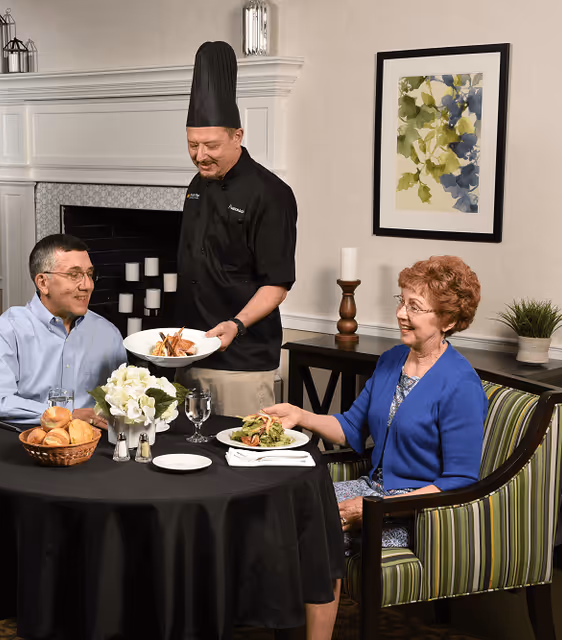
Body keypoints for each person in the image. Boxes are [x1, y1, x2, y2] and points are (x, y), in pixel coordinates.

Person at [264, 255, 488, 639]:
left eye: (414, 307)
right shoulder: (391, 362)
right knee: (283, 503)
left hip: (416, 509)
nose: (401, 313)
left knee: (321, 527)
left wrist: (377, 509)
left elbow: (461, 479)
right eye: (401, 301)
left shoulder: (460, 384)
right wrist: (300, 416)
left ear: (448, 320)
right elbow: (351, 428)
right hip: (373, 490)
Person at [175, 41, 298, 417]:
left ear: (237, 136)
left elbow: (276, 284)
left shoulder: (271, 194)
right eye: (193, 145)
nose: (200, 156)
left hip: (241, 359)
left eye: (210, 145)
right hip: (189, 352)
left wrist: (235, 325)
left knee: (242, 465)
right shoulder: (197, 186)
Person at [0, 234, 125, 428]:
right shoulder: (9, 330)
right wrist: (68, 415)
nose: (87, 285)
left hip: (92, 445)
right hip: (25, 443)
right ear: (43, 283)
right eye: (74, 275)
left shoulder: (108, 333)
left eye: (89, 274)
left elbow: (122, 403)